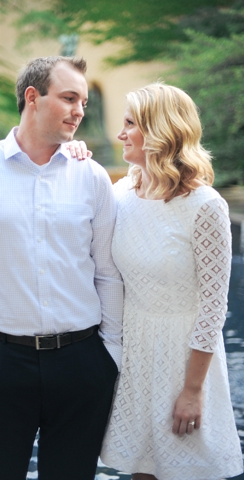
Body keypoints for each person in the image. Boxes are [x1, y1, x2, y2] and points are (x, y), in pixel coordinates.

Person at [0, 56, 123, 479]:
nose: (80, 110)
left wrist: (110, 354)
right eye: (69, 97)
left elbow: (107, 271)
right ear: (33, 97)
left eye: (84, 102)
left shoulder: (91, 176)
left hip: (84, 363)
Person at [98, 83, 243, 480]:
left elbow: (214, 307)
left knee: (184, 470)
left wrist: (192, 390)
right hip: (134, 352)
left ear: (159, 131)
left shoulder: (206, 206)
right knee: (140, 471)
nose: (120, 133)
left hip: (186, 360)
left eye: (130, 124)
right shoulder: (121, 192)